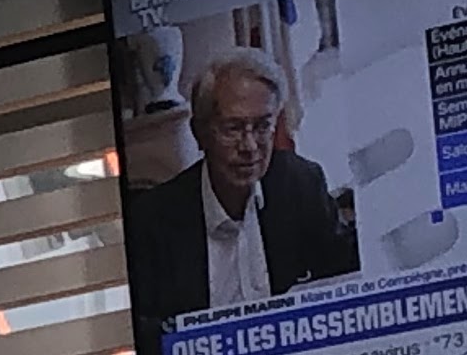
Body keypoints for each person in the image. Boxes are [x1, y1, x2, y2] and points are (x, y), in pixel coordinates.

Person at [128, 46, 357, 331]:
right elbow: (147, 330)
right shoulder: (153, 219)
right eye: (233, 128)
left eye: (262, 127)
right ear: (200, 133)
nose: (249, 147)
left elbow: (342, 274)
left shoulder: (301, 183)